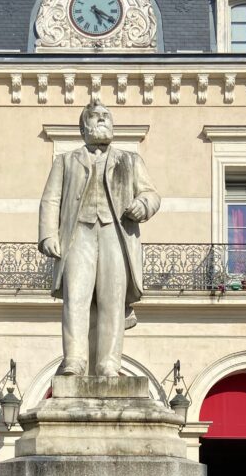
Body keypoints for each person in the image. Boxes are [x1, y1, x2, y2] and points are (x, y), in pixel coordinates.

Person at [38, 102, 161, 377]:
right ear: (84, 127)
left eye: (106, 116)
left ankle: (109, 363)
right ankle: (75, 359)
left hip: (115, 235)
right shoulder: (66, 161)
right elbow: (50, 200)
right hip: (77, 235)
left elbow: (151, 194)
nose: (102, 119)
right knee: (76, 298)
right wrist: (48, 235)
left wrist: (143, 204)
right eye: (95, 116)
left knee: (112, 300)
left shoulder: (130, 161)